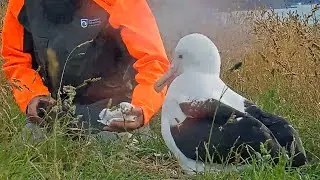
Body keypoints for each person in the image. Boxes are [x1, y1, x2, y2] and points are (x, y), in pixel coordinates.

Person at [1, 0, 170, 140]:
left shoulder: (121, 2)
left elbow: (153, 61)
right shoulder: (21, 3)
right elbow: (16, 58)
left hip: (112, 113)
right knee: (30, 143)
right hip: (53, 112)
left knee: (116, 149)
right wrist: (32, 96)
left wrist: (142, 108)